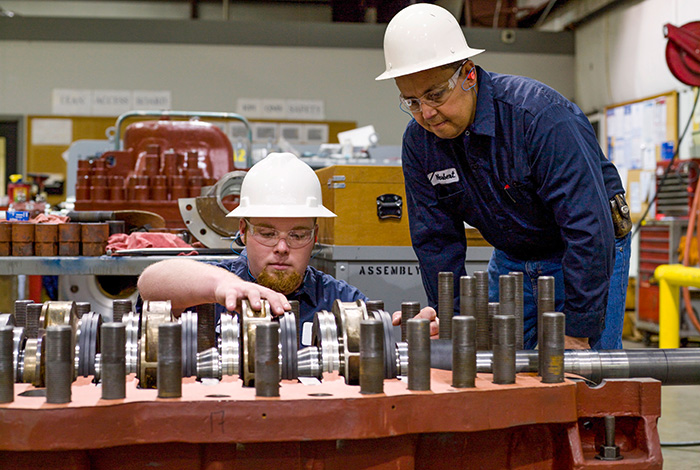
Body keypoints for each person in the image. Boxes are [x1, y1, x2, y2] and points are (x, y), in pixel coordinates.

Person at [377, 4, 632, 350]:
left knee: (582, 380)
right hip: (513, 254)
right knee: (503, 371)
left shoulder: (539, 118)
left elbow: (587, 226)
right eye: (412, 101)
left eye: (436, 95)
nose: (427, 113)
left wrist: (577, 329)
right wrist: (450, 318)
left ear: (468, 74)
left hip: (587, 248)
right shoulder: (419, 143)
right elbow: (436, 240)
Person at [138, 152, 440, 343]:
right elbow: (150, 282)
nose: (282, 247)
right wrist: (221, 286)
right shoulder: (213, 289)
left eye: (297, 235)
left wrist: (400, 336)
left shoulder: (337, 299)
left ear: (315, 236)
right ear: (243, 231)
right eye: (267, 233)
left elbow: (378, 344)